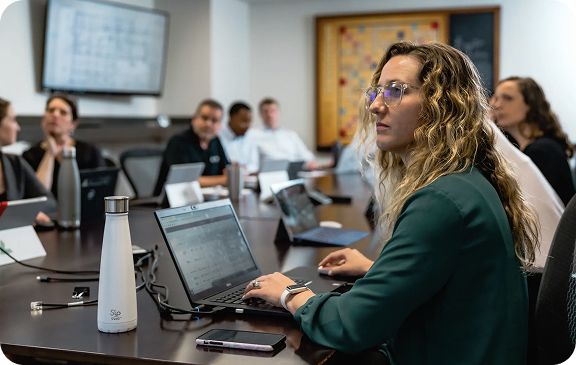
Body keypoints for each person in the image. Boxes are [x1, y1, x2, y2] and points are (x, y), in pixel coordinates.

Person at [243, 42, 539, 364]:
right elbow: (452, 280)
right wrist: (376, 269)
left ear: (443, 105)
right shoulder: (466, 180)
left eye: (396, 91)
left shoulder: (440, 199)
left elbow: (353, 325)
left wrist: (290, 293)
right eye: (377, 91)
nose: (376, 106)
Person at [491, 76, 575, 205]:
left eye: (507, 98)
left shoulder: (544, 150)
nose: (497, 105)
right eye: (496, 98)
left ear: (530, 104)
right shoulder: (526, 148)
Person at [23, 94, 105, 197]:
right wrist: (50, 153)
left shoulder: (90, 152)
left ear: (73, 124)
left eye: (63, 112)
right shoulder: (29, 156)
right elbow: (38, 196)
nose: (55, 115)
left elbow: (101, 192)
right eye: (51, 110)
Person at [154, 99, 228, 195]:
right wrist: (223, 180)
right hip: (171, 203)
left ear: (220, 125)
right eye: (204, 118)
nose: (208, 124)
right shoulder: (178, 142)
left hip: (207, 198)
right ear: (194, 119)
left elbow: (226, 169)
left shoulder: (215, 140)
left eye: (214, 120)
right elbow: (186, 180)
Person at [0, 98, 56, 217]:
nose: (18, 128)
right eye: (13, 120)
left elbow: (49, 202)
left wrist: (29, 213)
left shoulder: (15, 162)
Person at [255, 98, 317, 169]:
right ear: (260, 114)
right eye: (266, 112)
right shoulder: (254, 135)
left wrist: (311, 162)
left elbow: (307, 156)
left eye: (273, 111)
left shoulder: (290, 135)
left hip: (293, 172)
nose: (270, 115)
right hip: (269, 174)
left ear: (278, 112)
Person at [218, 102, 260, 174]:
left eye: (249, 121)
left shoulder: (250, 135)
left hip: (246, 177)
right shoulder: (218, 136)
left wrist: (243, 169)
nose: (248, 126)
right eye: (244, 121)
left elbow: (255, 165)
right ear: (232, 117)